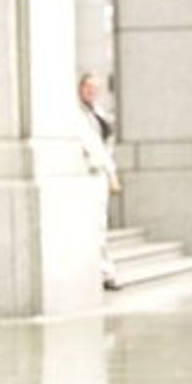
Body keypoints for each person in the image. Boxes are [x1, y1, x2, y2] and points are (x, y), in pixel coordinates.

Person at [77, 72, 120, 290]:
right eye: (87, 87)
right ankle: (104, 272)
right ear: (80, 88)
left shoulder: (99, 114)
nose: (91, 91)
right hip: (89, 173)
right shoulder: (77, 115)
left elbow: (106, 148)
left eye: (94, 88)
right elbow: (95, 149)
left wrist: (112, 174)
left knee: (101, 225)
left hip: (101, 174)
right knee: (97, 226)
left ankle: (106, 271)